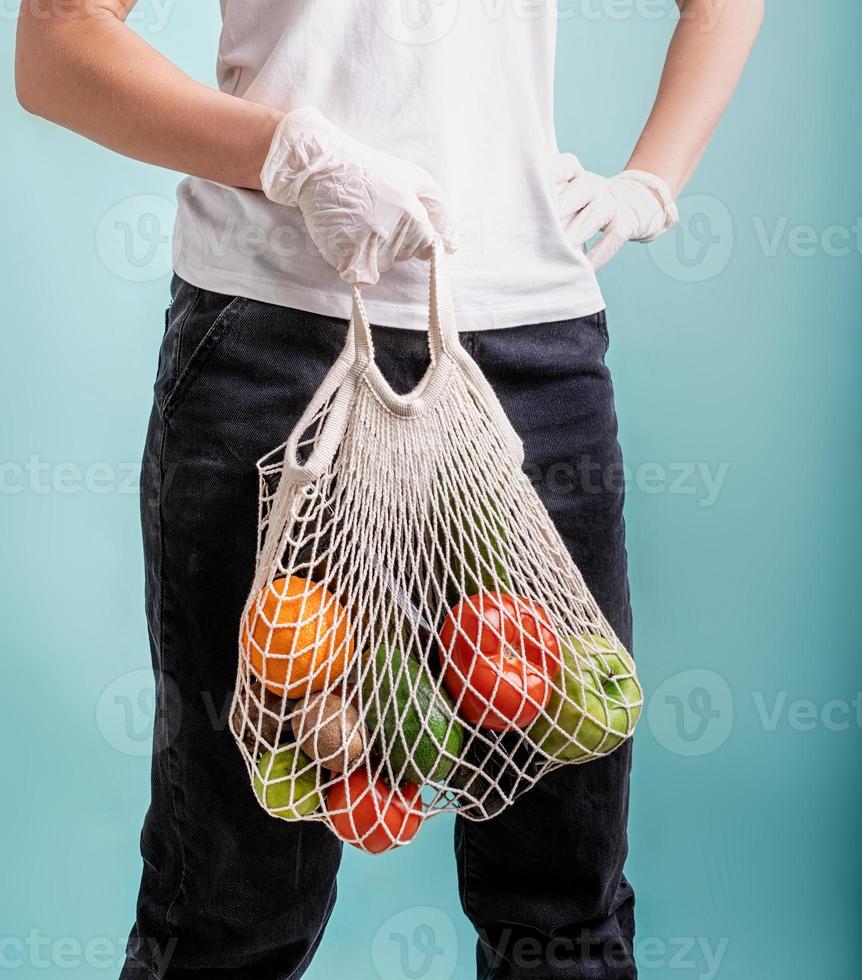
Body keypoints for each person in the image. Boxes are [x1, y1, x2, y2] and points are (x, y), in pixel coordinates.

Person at [15, 1, 763, 977]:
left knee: (560, 900)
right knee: (234, 899)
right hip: (273, 338)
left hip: (529, 347)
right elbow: (55, 45)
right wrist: (294, 156)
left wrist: (651, 182)